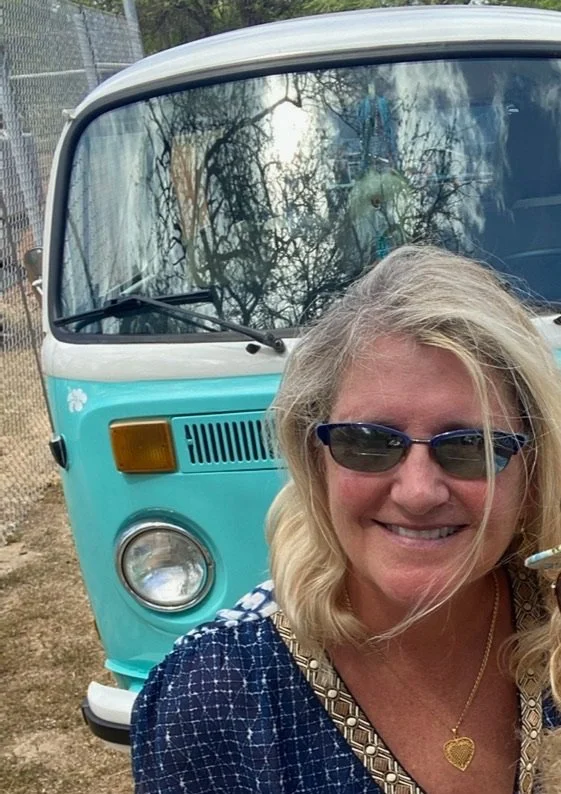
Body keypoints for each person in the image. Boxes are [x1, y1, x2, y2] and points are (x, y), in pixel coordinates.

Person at [131, 245, 561, 793]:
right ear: (316, 462)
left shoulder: (549, 627)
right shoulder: (220, 695)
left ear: (533, 469)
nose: (418, 493)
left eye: (471, 446)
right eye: (368, 442)